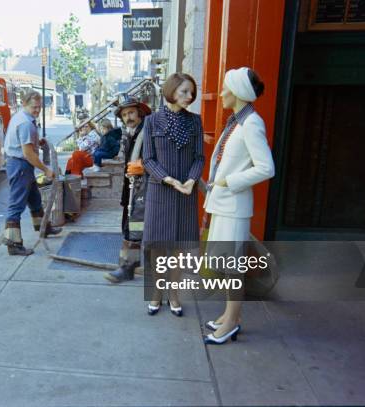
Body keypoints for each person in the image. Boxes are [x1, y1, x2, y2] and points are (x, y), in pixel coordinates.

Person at [202, 67, 275, 344]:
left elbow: (266, 168)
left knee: (233, 267)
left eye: (225, 89)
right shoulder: (236, 122)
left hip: (234, 206)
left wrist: (229, 182)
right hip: (224, 205)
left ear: (238, 93)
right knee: (225, 263)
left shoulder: (251, 123)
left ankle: (231, 322)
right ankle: (230, 315)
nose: (221, 93)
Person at [141, 73, 205, 317]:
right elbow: (148, 159)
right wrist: (167, 179)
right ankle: (157, 293)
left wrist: (190, 181)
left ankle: (174, 294)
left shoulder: (195, 121)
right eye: (184, 92)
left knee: (179, 249)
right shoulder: (152, 122)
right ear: (170, 90)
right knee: (158, 248)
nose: (190, 97)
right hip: (160, 192)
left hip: (186, 194)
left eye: (191, 92)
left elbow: (199, 157)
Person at [3, 90, 62, 256]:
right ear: (24, 104)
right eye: (34, 107)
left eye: (39, 107)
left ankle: (43, 228)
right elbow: (28, 153)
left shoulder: (22, 117)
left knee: (35, 199)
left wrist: (37, 141)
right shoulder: (26, 124)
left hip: (21, 165)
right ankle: (13, 243)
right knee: (16, 204)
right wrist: (46, 170)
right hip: (20, 165)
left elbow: (26, 144)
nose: (37, 110)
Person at [104, 96, 151, 283]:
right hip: (131, 189)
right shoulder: (129, 132)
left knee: (135, 228)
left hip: (143, 190)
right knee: (129, 227)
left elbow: (160, 158)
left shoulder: (148, 131)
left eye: (131, 112)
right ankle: (128, 265)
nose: (128, 117)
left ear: (139, 112)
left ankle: (127, 268)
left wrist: (144, 165)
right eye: (124, 114)